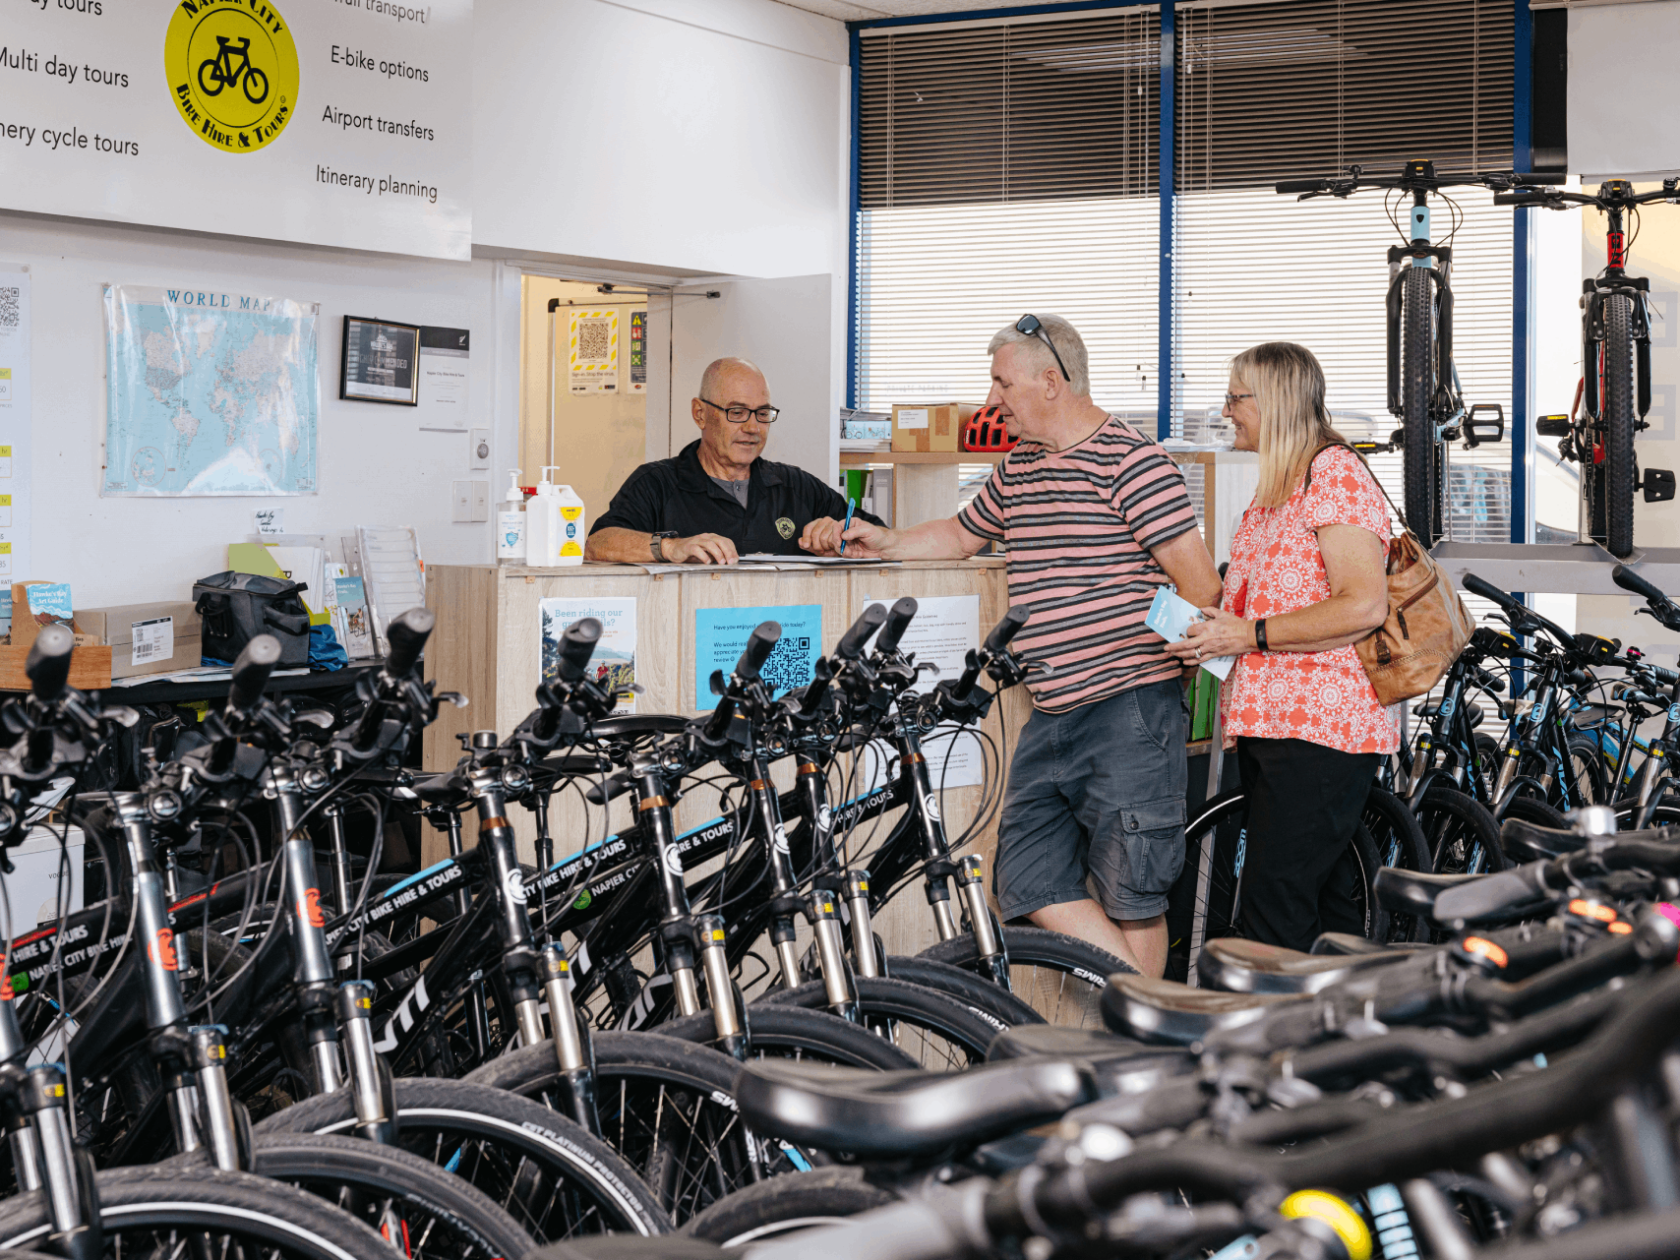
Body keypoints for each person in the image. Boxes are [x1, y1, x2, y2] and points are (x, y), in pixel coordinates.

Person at [802, 314, 1223, 977]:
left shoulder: (1134, 462)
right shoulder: (1020, 467)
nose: (992, 400)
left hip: (1128, 710)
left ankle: (1147, 1041)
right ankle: (1154, 1010)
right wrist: (887, 540)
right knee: (1025, 880)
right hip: (1051, 709)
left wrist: (1170, 654)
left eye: (1002, 383)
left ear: (1050, 382)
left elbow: (1202, 586)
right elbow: (961, 533)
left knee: (1133, 897)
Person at [1164, 342, 1393, 951]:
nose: (1226, 410)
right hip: (1276, 725)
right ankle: (1352, 1034)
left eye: (1237, 397)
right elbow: (1266, 605)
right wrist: (1218, 627)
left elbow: (1363, 605)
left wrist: (1248, 633)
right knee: (1324, 909)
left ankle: (1274, 1044)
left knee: (1273, 909)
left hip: (1319, 730)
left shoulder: (1335, 475)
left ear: (1276, 402)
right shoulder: (1279, 488)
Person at [587, 357, 881, 564]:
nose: (753, 428)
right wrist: (670, 547)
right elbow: (598, 544)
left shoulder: (797, 486)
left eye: (763, 413)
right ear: (700, 414)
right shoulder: (657, 483)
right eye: (737, 412)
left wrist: (842, 537)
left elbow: (882, 540)